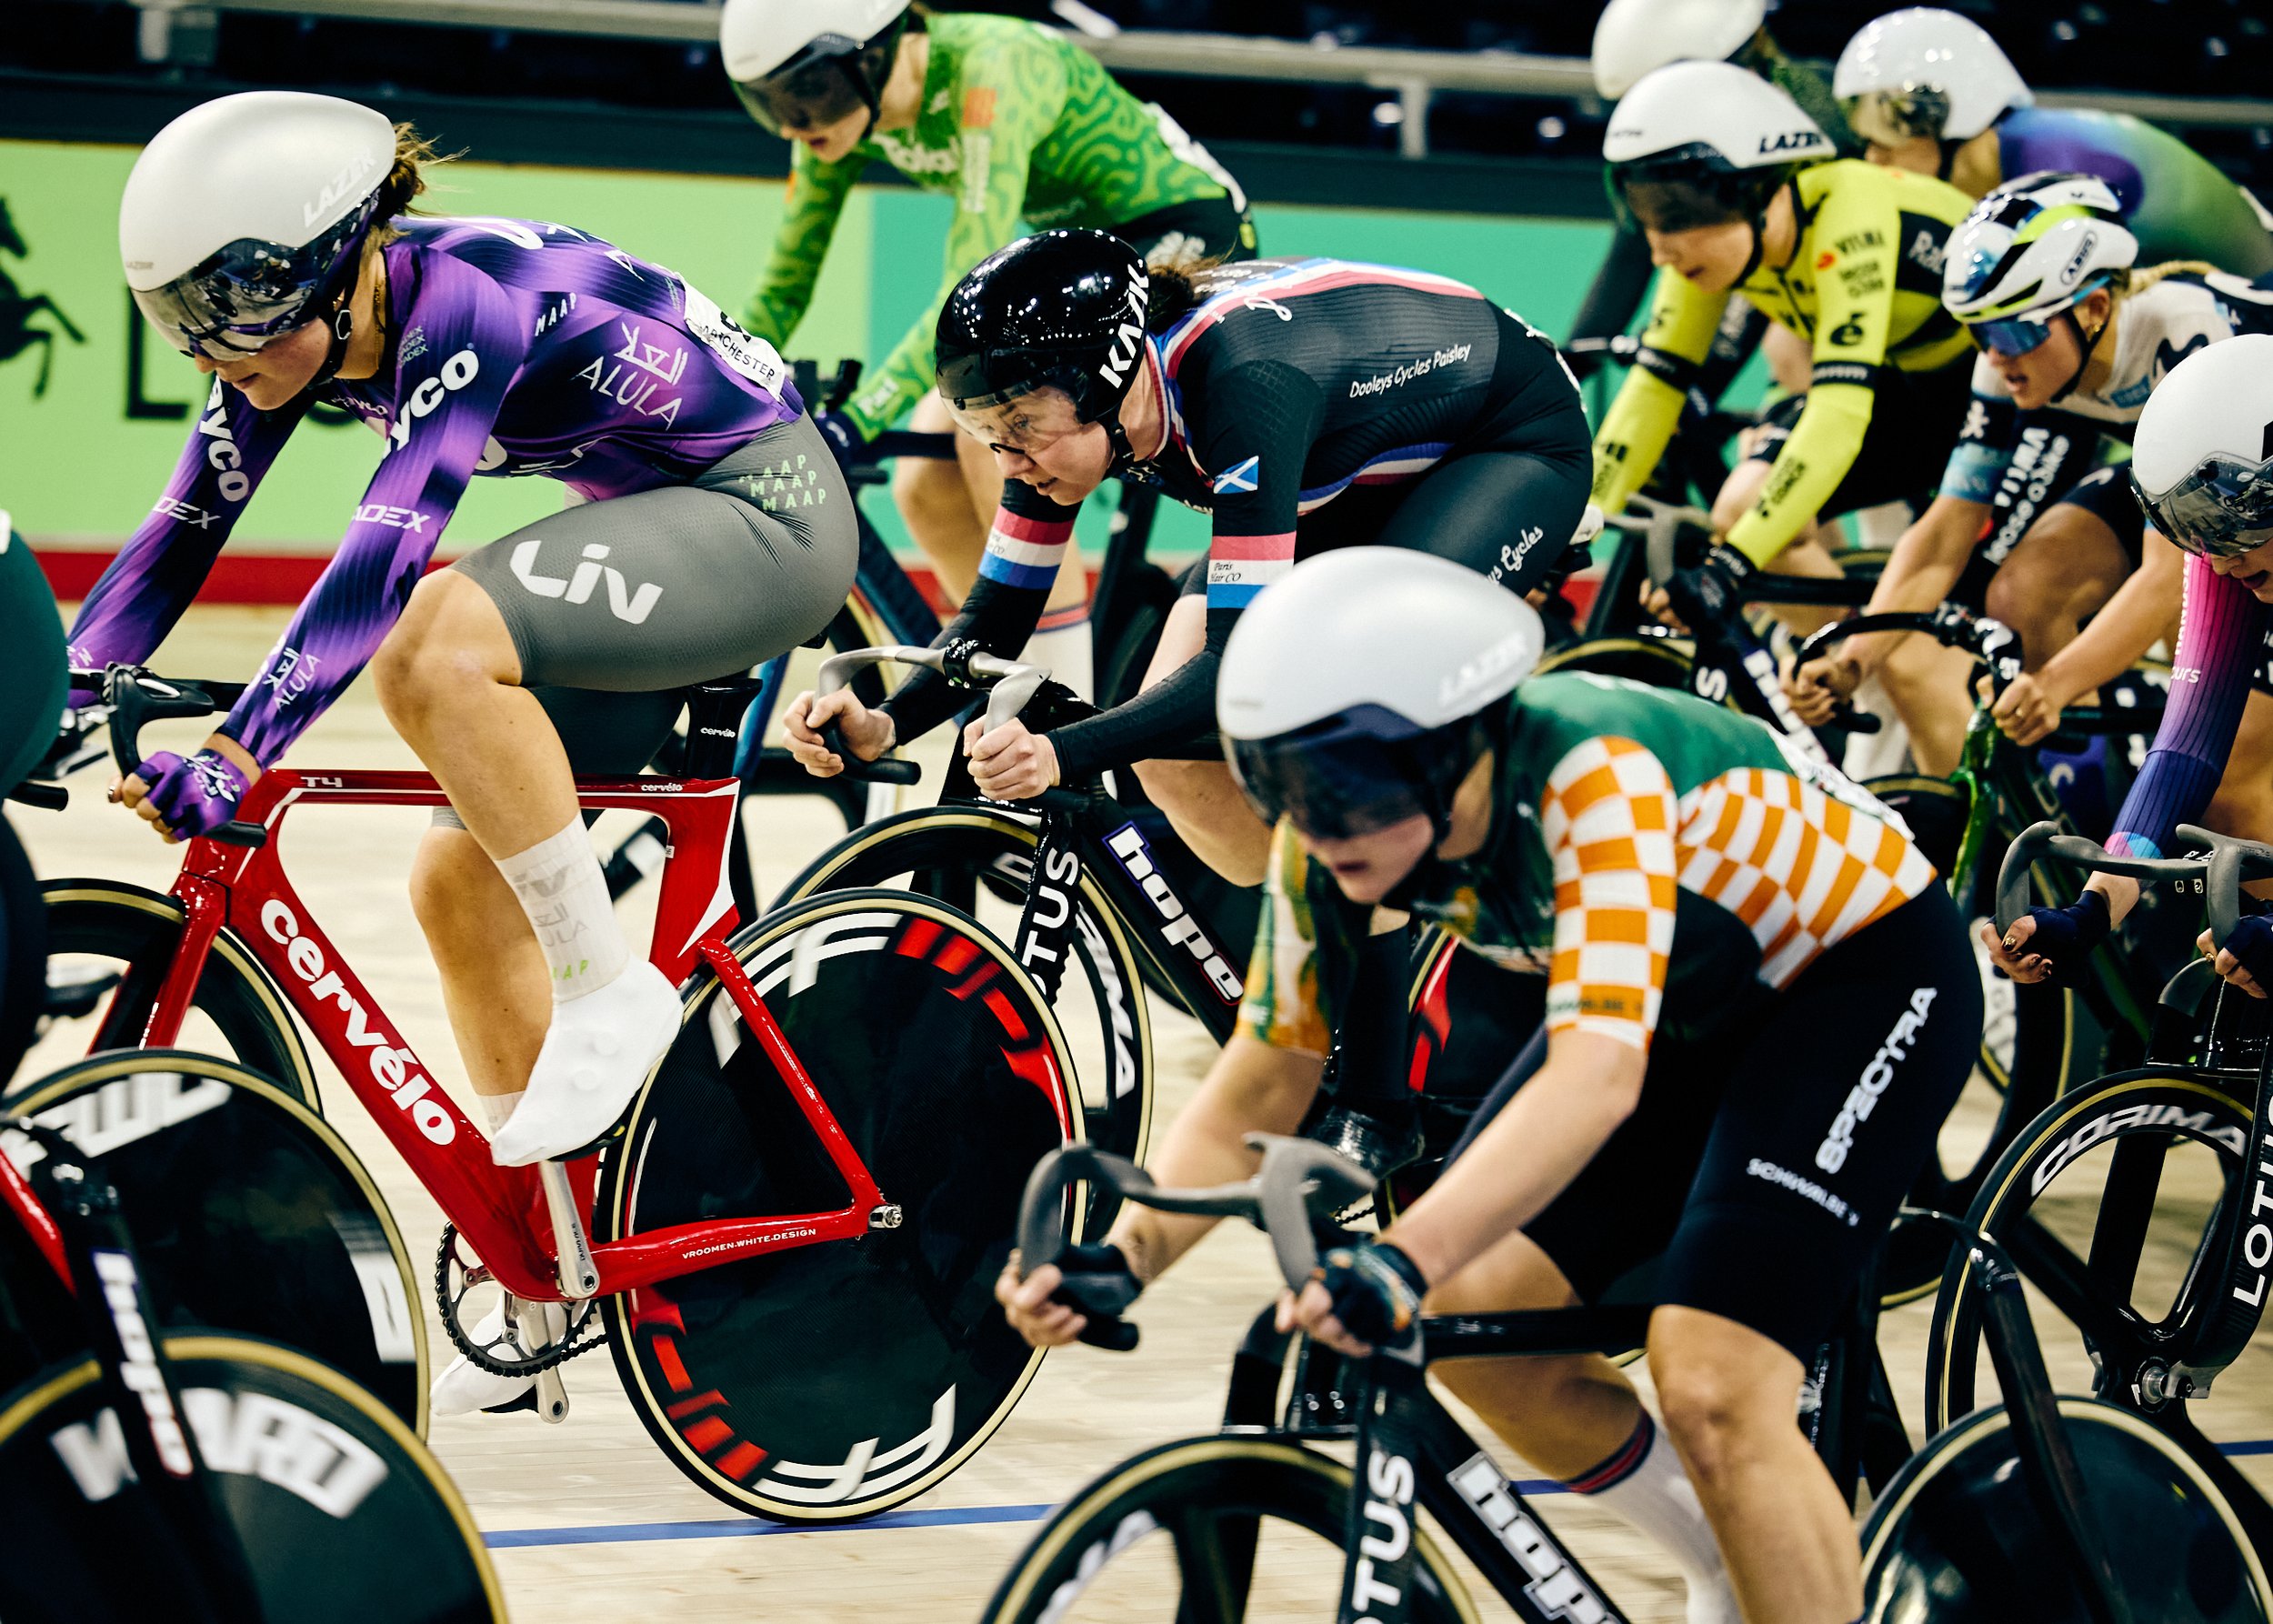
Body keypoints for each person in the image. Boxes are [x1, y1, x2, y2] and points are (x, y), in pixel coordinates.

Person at [1003, 546, 1978, 1624]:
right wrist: (1127, 1252)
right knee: (1474, 1321)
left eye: (1337, 789)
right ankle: (1731, 1555)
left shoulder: (1588, 771)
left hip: (1858, 974)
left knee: (1710, 1380)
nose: (1312, 830)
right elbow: (1262, 1079)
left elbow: (1597, 1077)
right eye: (1277, 787)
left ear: (1447, 751)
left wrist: (1397, 1260)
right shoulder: (1329, 836)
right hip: (1685, 997)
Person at [75, 91, 856, 1408]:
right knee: (454, 881)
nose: (209, 354)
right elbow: (180, 527)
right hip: (653, 525)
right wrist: (69, 684)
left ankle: (606, 988)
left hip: (764, 518)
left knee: (434, 640)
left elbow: (382, 561)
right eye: (177, 323)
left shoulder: (464, 308)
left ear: (320, 265)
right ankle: (547, 1234)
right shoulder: (305, 339)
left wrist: (236, 747)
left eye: (224, 315)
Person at [722, 0, 1256, 698]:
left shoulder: (990, 67)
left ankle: (1061, 708)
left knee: (999, 425)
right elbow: (785, 285)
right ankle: (998, 676)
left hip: (1183, 234)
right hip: (1080, 259)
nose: (794, 123)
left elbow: (967, 269)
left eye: (807, 91)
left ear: (873, 54)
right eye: (767, 104)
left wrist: (857, 420)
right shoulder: (838, 121)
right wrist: (722, 381)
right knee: (922, 480)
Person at [1788, 175, 2273, 776]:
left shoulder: (2181, 335)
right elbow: (1947, 528)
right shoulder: (2012, 356)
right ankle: (2094, 798)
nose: (1995, 357)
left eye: (2012, 331)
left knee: (2220, 724)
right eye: (1979, 333)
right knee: (2023, 592)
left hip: (2248, 495)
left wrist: (2053, 684)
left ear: (2095, 306)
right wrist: (1854, 659)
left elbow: (2164, 577)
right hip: (2200, 484)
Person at [1589, 62, 1977, 624]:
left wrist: (1729, 568)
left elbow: (1840, 412)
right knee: (1743, 507)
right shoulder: (1715, 242)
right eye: (1643, 214)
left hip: (2004, 390)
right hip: (1906, 387)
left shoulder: (1850, 212)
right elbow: (1656, 387)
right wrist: (1578, 525)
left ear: (1755, 190)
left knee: (2019, 597)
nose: (1659, 250)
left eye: (1673, 212)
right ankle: (1837, 685)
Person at [1991, 334, 2273, 993]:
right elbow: (2183, 754)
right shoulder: (2225, 559)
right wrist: (2092, 910)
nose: (2219, 560)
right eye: (2187, 534)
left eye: (2224, 525)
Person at [1834, 7, 2273, 276]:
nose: (1874, 160)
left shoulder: (2051, 164)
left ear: (1941, 118)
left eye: (1885, 146)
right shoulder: (2021, 151)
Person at [1577, 0, 1861, 370]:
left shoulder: (1820, 114)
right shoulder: (1748, 91)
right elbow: (1630, 252)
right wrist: (1565, 370)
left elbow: (1760, 260)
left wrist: (1698, 394)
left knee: (1788, 351)